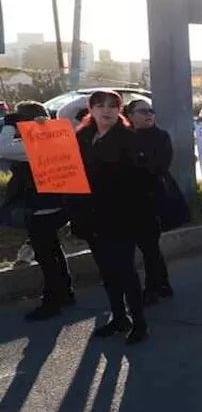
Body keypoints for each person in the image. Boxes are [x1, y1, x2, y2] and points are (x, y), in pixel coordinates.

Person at [69, 90, 153, 344]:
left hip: (121, 216)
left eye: (111, 106)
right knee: (106, 271)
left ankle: (139, 323)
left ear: (119, 110)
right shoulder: (82, 136)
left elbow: (142, 180)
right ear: (90, 109)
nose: (106, 111)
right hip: (91, 216)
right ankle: (119, 317)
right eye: (100, 106)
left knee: (125, 271)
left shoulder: (129, 139)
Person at [0, 101, 75, 320]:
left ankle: (52, 301)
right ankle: (65, 292)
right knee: (54, 251)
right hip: (58, 204)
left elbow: (2, 147)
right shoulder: (54, 138)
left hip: (41, 206)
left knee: (46, 256)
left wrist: (8, 125)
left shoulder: (34, 144)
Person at [124, 99, 175, 303]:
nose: (149, 114)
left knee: (149, 245)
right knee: (145, 245)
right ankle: (161, 284)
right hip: (127, 199)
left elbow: (159, 165)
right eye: (143, 111)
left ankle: (155, 287)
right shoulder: (124, 137)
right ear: (130, 116)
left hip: (150, 197)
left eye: (151, 111)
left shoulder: (160, 136)